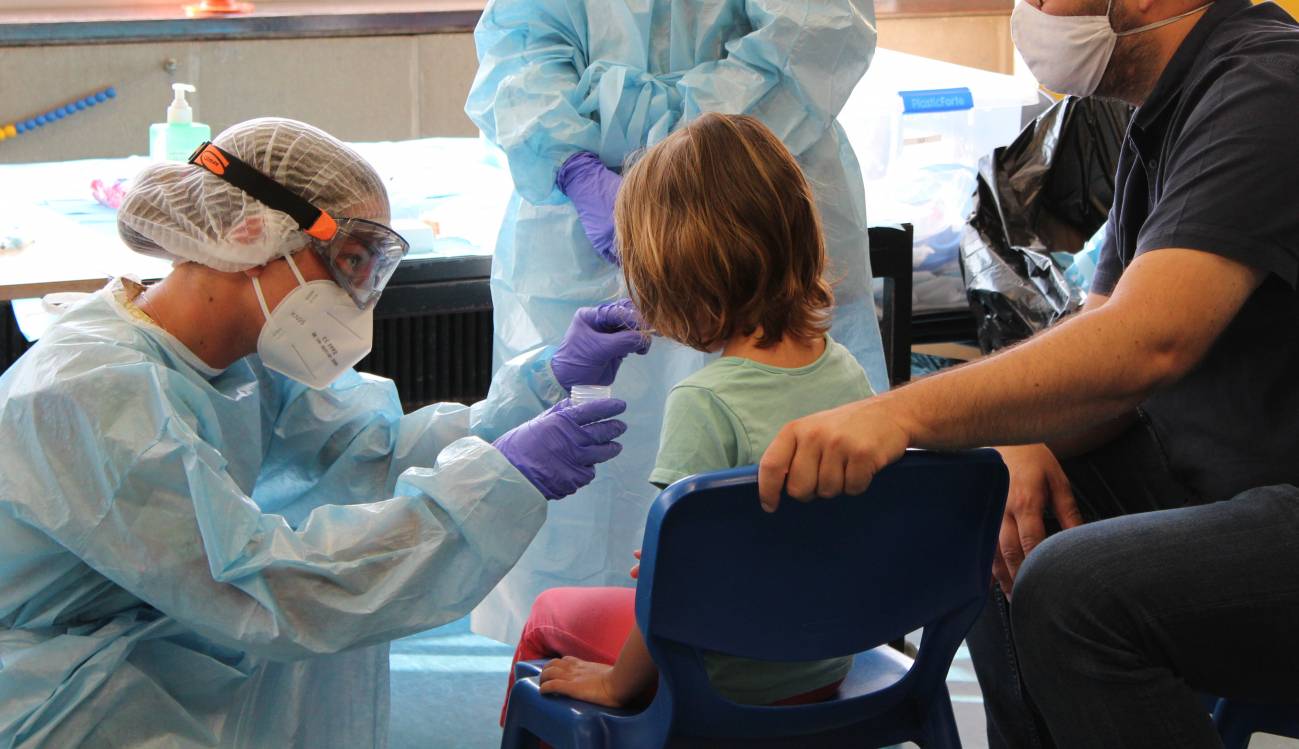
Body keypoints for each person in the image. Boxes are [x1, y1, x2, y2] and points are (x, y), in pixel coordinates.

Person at [0, 118, 649, 748]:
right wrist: (501, 482)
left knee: (348, 607)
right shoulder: (93, 389)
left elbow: (374, 451)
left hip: (154, 633)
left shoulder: (243, 353)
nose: (356, 296)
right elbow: (264, 585)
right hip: (58, 683)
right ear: (251, 232)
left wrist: (540, 382)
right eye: (345, 262)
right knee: (330, 603)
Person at [756, 1, 1299, 747]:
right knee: (986, 510)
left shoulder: (1268, 83)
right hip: (1229, 482)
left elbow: (1148, 341)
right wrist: (1018, 441)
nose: (1030, 12)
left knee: (1072, 591)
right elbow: (1103, 351)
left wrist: (898, 414)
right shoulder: (1166, 115)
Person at [463, 0, 888, 644]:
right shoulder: (846, 377)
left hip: (757, 167)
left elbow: (817, 31)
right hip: (716, 193)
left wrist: (673, 166)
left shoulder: (700, 404)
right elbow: (519, 47)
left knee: (655, 534)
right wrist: (572, 163)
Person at [502, 114, 876, 717]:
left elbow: (670, 591)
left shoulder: (705, 402)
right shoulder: (846, 372)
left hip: (726, 678)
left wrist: (616, 685)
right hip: (825, 662)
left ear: (672, 279)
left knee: (548, 616)